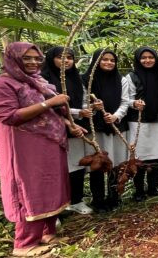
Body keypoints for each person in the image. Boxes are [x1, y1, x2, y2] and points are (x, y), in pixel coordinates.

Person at [0, 42, 86, 257]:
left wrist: (70, 124)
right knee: (30, 190)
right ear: (13, 59)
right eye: (27, 58)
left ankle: (47, 233)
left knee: (52, 186)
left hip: (51, 143)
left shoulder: (38, 82)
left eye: (36, 58)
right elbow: (8, 116)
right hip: (25, 149)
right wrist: (48, 104)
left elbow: (55, 114)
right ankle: (25, 243)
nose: (33, 62)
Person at [41, 47, 93, 215]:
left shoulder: (76, 78)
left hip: (76, 128)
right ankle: (56, 206)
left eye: (70, 57)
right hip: (53, 129)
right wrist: (78, 112)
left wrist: (86, 110)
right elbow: (47, 107)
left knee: (76, 165)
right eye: (61, 58)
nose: (66, 61)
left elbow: (84, 99)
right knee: (57, 168)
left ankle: (76, 200)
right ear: (51, 59)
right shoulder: (43, 80)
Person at [82, 49, 130, 211]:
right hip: (96, 128)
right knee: (98, 162)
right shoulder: (86, 80)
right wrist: (93, 108)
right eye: (104, 60)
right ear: (96, 61)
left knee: (116, 163)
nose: (109, 63)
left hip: (116, 127)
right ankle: (98, 199)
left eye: (112, 60)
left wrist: (116, 116)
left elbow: (125, 102)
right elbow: (81, 104)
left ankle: (114, 196)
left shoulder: (121, 80)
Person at [125, 47, 158, 202]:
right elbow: (126, 99)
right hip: (138, 121)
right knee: (139, 155)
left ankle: (153, 187)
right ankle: (139, 190)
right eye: (144, 57)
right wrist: (134, 103)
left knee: (156, 154)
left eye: (151, 57)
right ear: (138, 59)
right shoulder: (132, 77)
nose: (148, 60)